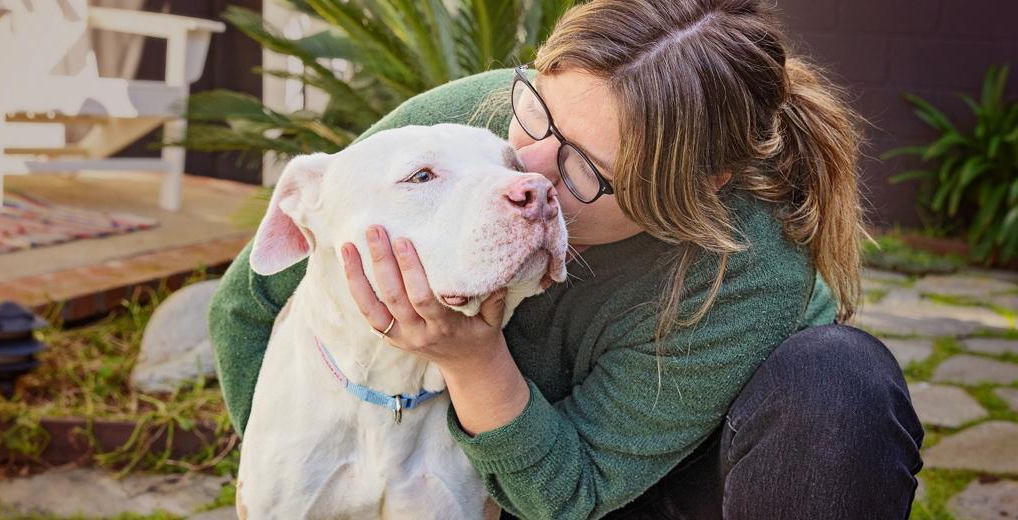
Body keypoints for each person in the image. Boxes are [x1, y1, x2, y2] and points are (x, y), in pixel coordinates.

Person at [209, 0, 923, 517]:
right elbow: (248, 301)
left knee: (839, 380)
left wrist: (472, 359)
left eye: (584, 166)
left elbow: (575, 490)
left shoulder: (746, 270)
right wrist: (290, 467)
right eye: (537, 113)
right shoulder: (470, 126)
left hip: (649, 484)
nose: (529, 174)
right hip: (515, 476)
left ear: (699, 184)